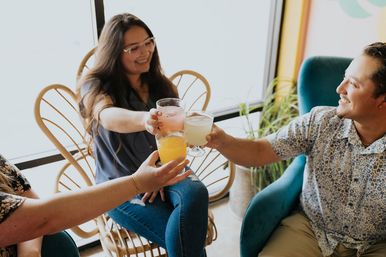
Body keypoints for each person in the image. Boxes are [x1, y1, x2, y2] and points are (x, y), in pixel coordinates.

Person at [206, 42, 386, 257]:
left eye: (354, 84)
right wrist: (221, 141)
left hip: (375, 244)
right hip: (311, 231)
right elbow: (259, 151)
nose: (340, 88)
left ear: (382, 101)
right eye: (344, 77)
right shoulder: (319, 122)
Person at [77, 13, 209, 257]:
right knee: (188, 243)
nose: (145, 51)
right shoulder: (94, 85)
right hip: (121, 186)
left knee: (197, 193)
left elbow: (173, 134)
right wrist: (143, 118)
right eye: (134, 48)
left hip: (164, 170)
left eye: (149, 42)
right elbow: (106, 116)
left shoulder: (162, 86)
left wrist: (190, 132)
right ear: (115, 52)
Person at [0, 151, 190, 256]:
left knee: (194, 196)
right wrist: (136, 183)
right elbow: (43, 217)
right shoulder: (100, 91)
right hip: (123, 191)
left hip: (150, 178)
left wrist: (30, 253)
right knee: (186, 235)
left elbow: (31, 202)